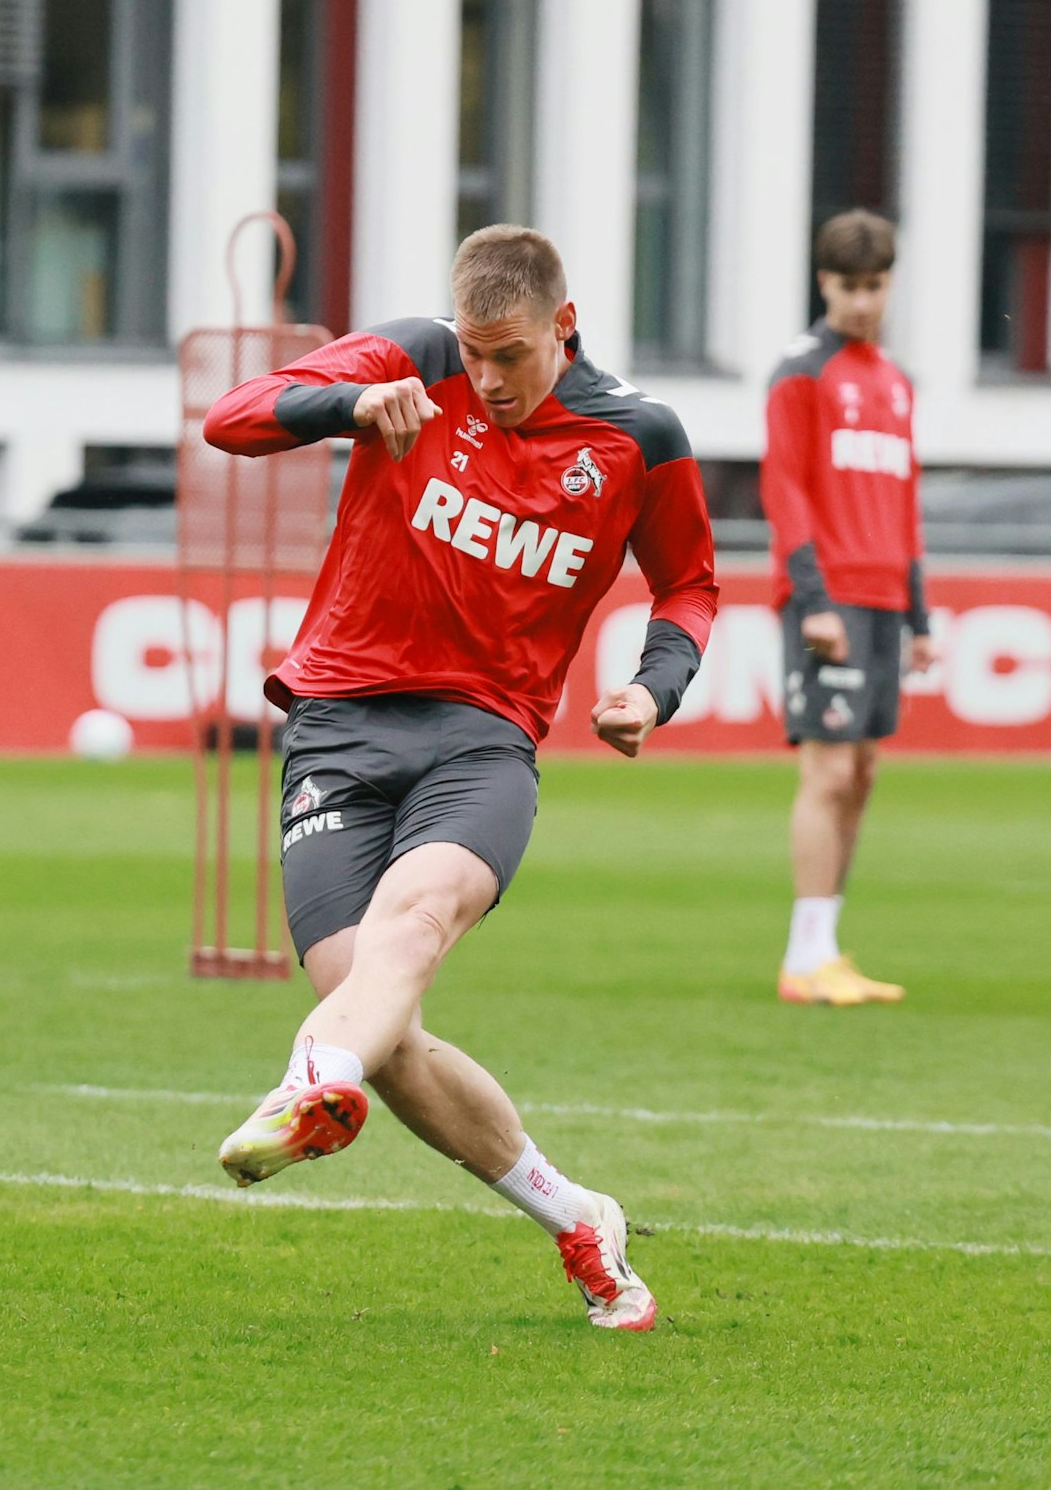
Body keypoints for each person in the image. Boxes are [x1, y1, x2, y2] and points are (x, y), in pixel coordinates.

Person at [201, 226, 718, 1332]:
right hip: (337, 729)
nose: (487, 380)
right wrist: (344, 406)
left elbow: (687, 588)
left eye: (512, 356)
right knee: (380, 1035)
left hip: (479, 741)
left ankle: (303, 1088)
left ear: (562, 327)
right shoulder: (411, 361)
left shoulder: (637, 436)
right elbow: (231, 418)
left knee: (411, 927)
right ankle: (575, 1213)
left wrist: (651, 689)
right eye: (473, 354)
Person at [760, 209, 937, 1008]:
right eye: (848, 285)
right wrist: (812, 597)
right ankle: (802, 957)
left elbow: (905, 504)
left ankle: (826, 945)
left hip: (882, 602)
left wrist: (921, 616)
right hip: (827, 599)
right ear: (823, 282)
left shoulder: (895, 381)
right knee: (827, 769)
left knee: (862, 771)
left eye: (874, 285)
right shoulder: (801, 372)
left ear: (889, 284)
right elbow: (786, 487)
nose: (862, 301)